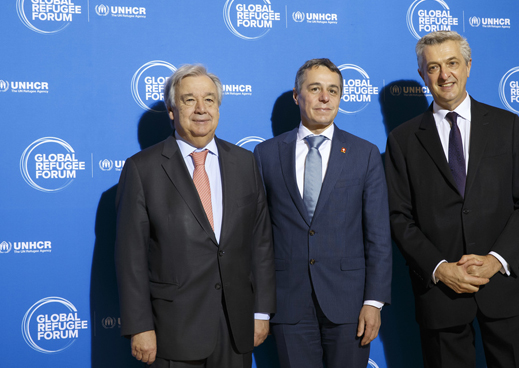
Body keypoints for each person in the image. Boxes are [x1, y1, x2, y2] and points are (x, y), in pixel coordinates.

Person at [385, 31, 519, 367]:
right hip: (441, 294)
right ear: (422, 75)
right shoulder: (402, 141)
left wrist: (496, 259)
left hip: (505, 288)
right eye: (433, 67)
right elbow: (398, 217)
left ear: (468, 66)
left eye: (452, 63)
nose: (445, 75)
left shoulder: (507, 126)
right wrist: (439, 269)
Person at [115, 64, 275, 368]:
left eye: (210, 100)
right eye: (189, 100)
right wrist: (139, 325)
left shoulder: (244, 162)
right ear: (172, 110)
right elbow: (130, 257)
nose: (201, 109)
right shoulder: (142, 169)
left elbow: (261, 242)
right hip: (173, 331)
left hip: (236, 328)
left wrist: (261, 312)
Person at [253, 58, 392, 368]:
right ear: (296, 96)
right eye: (315, 89)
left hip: (350, 306)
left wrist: (374, 302)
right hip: (288, 305)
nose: (325, 98)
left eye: (333, 90)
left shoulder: (364, 153)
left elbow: (379, 234)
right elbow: (259, 237)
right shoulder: (267, 154)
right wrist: (260, 308)